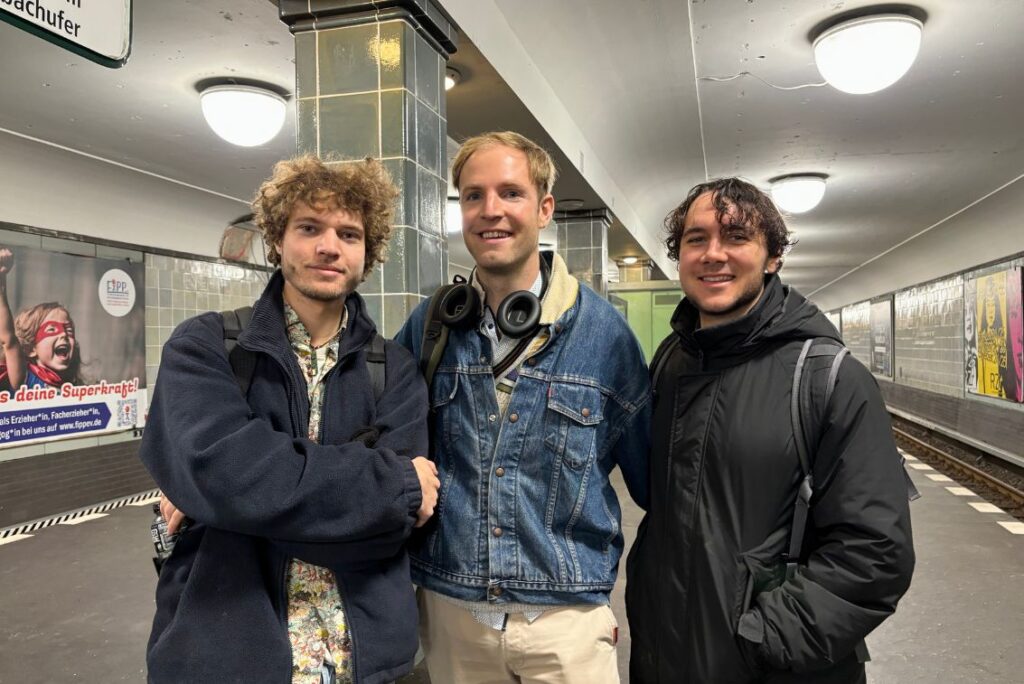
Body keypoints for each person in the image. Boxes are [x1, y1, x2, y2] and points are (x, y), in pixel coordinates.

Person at [140, 155, 439, 684]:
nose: (329, 245)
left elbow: (394, 527)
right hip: (228, 656)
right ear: (277, 239)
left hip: (365, 662)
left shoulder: (395, 369)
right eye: (309, 228)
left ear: (367, 253)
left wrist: (232, 509)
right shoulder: (205, 347)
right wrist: (389, 485)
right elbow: (228, 477)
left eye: (349, 233)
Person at [626, 178, 915, 684]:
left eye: (736, 237)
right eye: (696, 239)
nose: (713, 254)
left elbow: (875, 553)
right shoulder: (672, 360)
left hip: (772, 664)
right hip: (664, 655)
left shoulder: (829, 377)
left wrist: (764, 639)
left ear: (773, 257)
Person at [395, 131, 650, 684]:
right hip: (453, 609)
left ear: (544, 208)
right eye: (472, 195)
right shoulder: (431, 325)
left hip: (566, 619)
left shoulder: (605, 336)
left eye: (510, 193)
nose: (491, 211)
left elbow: (654, 480)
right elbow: (363, 414)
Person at [0, 247, 84, 392]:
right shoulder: (25, 379)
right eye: (52, 329)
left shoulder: (74, 386)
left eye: (69, 330)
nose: (64, 334)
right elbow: (9, 340)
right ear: (32, 349)